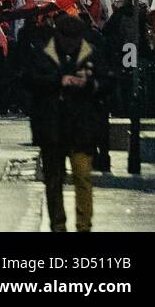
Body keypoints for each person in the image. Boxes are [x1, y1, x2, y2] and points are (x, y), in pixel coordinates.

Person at [28, 14, 111, 232]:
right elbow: (30, 82)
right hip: (52, 127)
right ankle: (58, 225)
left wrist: (89, 83)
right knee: (53, 181)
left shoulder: (91, 54)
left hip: (81, 127)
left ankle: (83, 226)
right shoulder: (43, 54)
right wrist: (59, 80)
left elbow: (109, 81)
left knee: (82, 177)